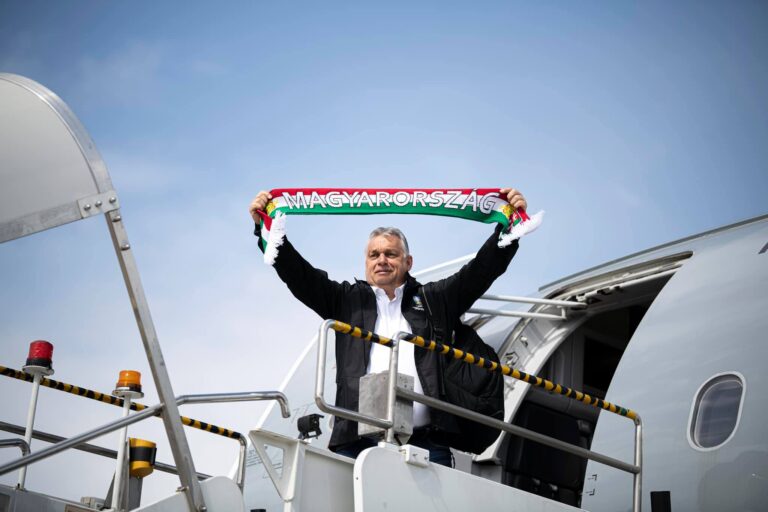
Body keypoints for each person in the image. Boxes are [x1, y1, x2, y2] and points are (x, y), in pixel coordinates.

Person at [249, 188, 527, 467]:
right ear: (366, 262)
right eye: (374, 255)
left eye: (391, 254)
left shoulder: (434, 299)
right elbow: (300, 276)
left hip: (427, 442)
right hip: (355, 442)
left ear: (408, 262)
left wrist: (507, 224)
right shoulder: (345, 301)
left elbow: (479, 272)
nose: (381, 260)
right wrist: (269, 228)